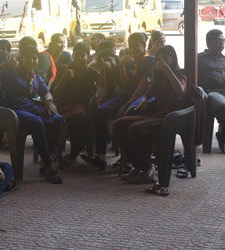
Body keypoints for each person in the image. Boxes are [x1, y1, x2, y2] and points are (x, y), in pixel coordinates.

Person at [112, 45, 188, 188]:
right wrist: (144, 101)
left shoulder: (180, 73)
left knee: (136, 128)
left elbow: (180, 90)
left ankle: (148, 168)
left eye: (165, 59)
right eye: (159, 60)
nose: (161, 62)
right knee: (119, 124)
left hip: (171, 117)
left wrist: (167, 69)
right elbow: (147, 95)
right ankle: (139, 164)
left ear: (172, 59)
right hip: (155, 115)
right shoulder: (158, 78)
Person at [81, 32, 154, 170]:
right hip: (128, 94)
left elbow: (143, 86)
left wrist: (126, 104)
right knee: (100, 111)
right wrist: (121, 66)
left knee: (128, 112)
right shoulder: (130, 61)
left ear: (144, 46)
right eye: (131, 46)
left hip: (142, 96)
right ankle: (100, 157)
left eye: (136, 46)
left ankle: (128, 160)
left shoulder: (149, 61)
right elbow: (126, 85)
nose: (133, 49)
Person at [0, 45, 64, 184]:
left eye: (35, 58)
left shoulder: (35, 76)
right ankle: (49, 165)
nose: (32, 61)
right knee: (37, 122)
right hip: (13, 109)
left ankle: (45, 158)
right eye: (28, 58)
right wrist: (8, 66)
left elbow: (46, 92)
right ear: (21, 58)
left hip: (29, 107)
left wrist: (48, 100)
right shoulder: (12, 71)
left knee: (57, 119)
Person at [52, 42, 98, 164]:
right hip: (62, 103)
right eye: (76, 55)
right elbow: (55, 93)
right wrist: (64, 78)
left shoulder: (93, 73)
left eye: (83, 55)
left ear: (88, 57)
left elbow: (98, 93)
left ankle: (73, 153)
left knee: (79, 119)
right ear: (73, 55)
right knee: (50, 116)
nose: (79, 58)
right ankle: (52, 152)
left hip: (81, 106)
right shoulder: (64, 69)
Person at [198, 29, 225, 153]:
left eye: (223, 40)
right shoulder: (200, 58)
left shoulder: (223, 59)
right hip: (212, 93)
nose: (222, 43)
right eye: (218, 41)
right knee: (222, 104)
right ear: (208, 43)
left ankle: (222, 135)